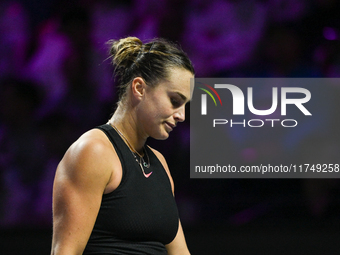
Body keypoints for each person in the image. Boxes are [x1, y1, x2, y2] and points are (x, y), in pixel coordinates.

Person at [50, 36, 195, 255]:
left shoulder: (160, 164)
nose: (182, 115)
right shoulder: (93, 151)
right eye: (175, 101)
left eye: (185, 105)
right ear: (139, 88)